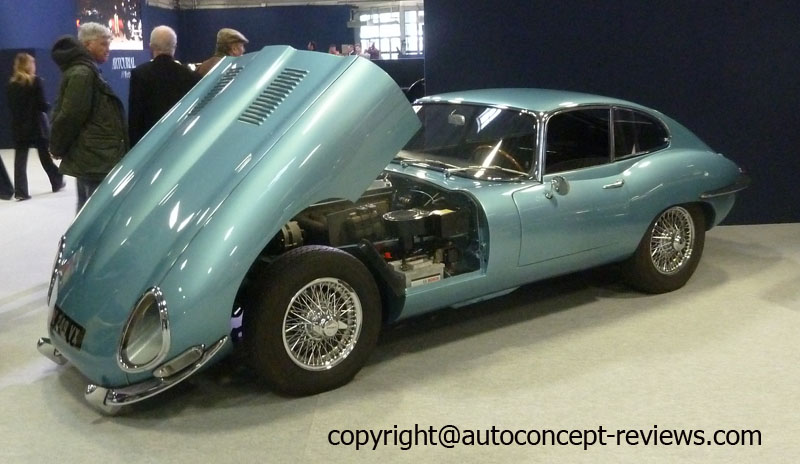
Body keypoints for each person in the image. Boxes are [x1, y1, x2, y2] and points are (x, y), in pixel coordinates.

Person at [50, 22, 128, 212]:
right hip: (94, 157)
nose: (108, 49)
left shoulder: (85, 70)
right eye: (103, 44)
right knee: (93, 213)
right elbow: (70, 115)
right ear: (87, 45)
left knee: (88, 209)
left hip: (93, 155)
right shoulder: (83, 73)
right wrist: (57, 146)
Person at [6, 53, 64, 200]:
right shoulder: (35, 81)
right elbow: (41, 105)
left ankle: (21, 192)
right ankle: (56, 181)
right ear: (29, 65)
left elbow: (13, 108)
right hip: (36, 126)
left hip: (19, 127)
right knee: (45, 157)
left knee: (20, 160)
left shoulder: (11, 84)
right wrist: (49, 107)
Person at [128, 25, 199, 146]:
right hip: (180, 140)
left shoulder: (139, 74)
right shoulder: (189, 75)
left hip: (148, 142)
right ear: (174, 47)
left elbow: (135, 116)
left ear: (151, 47)